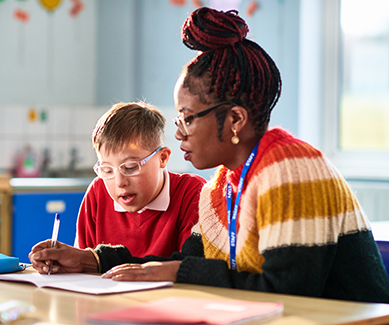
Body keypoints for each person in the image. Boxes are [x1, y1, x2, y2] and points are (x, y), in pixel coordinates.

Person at [29, 8, 389, 303]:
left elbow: (287, 292)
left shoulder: (290, 169)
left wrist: (178, 270)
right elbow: (181, 262)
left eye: (188, 118)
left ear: (234, 119)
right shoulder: (222, 186)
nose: (180, 131)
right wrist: (90, 260)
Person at [74, 102, 205, 257]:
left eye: (130, 167)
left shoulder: (191, 192)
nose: (119, 182)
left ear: (162, 158)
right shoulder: (98, 192)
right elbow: (83, 263)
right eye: (107, 170)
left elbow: (190, 268)